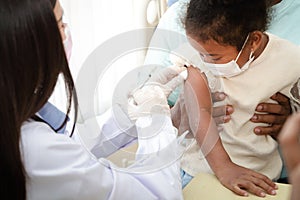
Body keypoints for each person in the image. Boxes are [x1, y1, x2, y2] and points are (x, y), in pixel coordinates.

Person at [0, 0, 187, 199]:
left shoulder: (17, 112)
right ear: (30, 44)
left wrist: (128, 115)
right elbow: (157, 195)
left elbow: (69, 143)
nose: (66, 34)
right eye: (60, 24)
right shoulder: (34, 149)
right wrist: (156, 123)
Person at [180, 0, 300, 197]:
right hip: (200, 172)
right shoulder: (198, 52)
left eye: (215, 57)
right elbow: (199, 113)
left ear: (253, 40)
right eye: (200, 54)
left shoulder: (290, 59)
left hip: (263, 178)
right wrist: (224, 167)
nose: (205, 61)